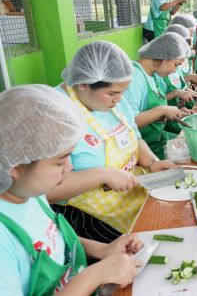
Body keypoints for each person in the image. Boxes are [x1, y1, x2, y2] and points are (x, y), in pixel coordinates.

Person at [0, 85, 144, 295]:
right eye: (60, 162)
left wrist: (103, 250)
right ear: (16, 166)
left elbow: (55, 242)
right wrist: (95, 275)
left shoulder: (29, 194)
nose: (70, 167)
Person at [49, 41, 178, 243]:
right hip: (89, 213)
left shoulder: (116, 98)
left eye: (122, 92)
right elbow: (46, 191)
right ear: (83, 84)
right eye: (112, 94)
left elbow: (133, 136)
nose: (118, 100)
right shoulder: (54, 115)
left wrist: (152, 163)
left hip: (133, 192)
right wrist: (104, 175)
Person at [125, 33, 193, 159]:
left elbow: (151, 107)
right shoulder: (135, 78)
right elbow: (128, 123)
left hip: (159, 139)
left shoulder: (154, 75)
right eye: (176, 65)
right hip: (145, 150)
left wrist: (173, 113)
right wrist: (163, 110)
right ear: (163, 57)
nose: (174, 71)